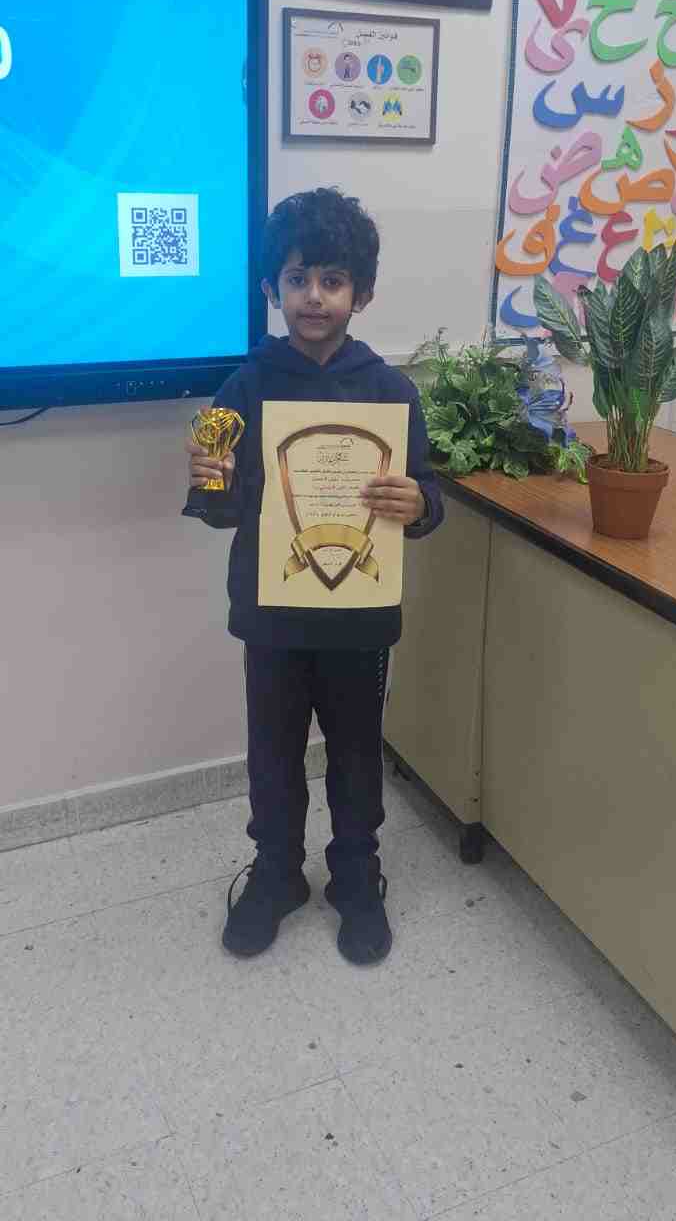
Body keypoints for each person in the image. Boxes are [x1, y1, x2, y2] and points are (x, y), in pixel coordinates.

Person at [185, 188, 443, 966]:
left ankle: (356, 876)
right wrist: (210, 476)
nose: (314, 297)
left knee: (357, 753)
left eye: (333, 280)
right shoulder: (240, 389)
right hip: (272, 617)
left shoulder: (392, 392)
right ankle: (277, 873)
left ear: (362, 293)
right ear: (272, 288)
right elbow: (218, 507)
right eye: (298, 279)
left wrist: (418, 502)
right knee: (272, 752)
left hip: (360, 620)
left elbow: (427, 495)